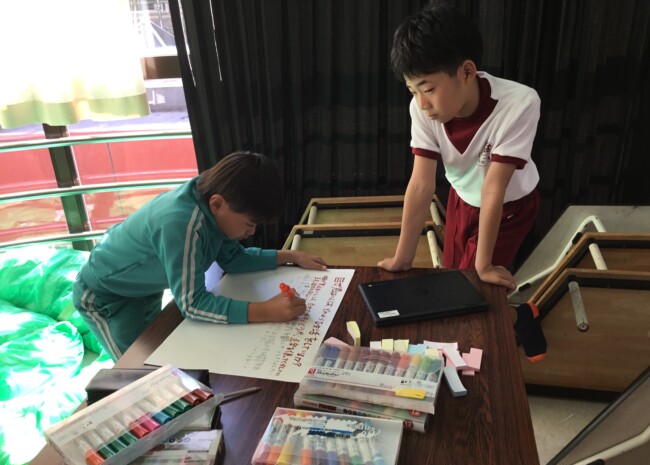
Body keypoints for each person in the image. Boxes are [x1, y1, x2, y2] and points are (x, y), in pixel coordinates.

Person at [378, 5, 546, 361]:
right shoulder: (421, 109)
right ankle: (519, 317)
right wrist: (403, 257)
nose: (422, 103)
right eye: (412, 90)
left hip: (509, 206)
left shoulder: (520, 102)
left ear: (467, 72)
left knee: (472, 289)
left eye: (428, 89)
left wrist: (483, 265)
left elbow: (494, 188)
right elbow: (421, 184)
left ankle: (509, 327)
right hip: (463, 198)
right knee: (453, 279)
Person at [73, 151, 328, 360]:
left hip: (145, 287)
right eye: (249, 224)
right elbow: (193, 304)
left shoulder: (214, 204)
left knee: (161, 356)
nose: (251, 232)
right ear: (217, 204)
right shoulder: (182, 224)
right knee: (139, 372)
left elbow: (233, 259)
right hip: (107, 296)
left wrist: (290, 256)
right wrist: (266, 310)